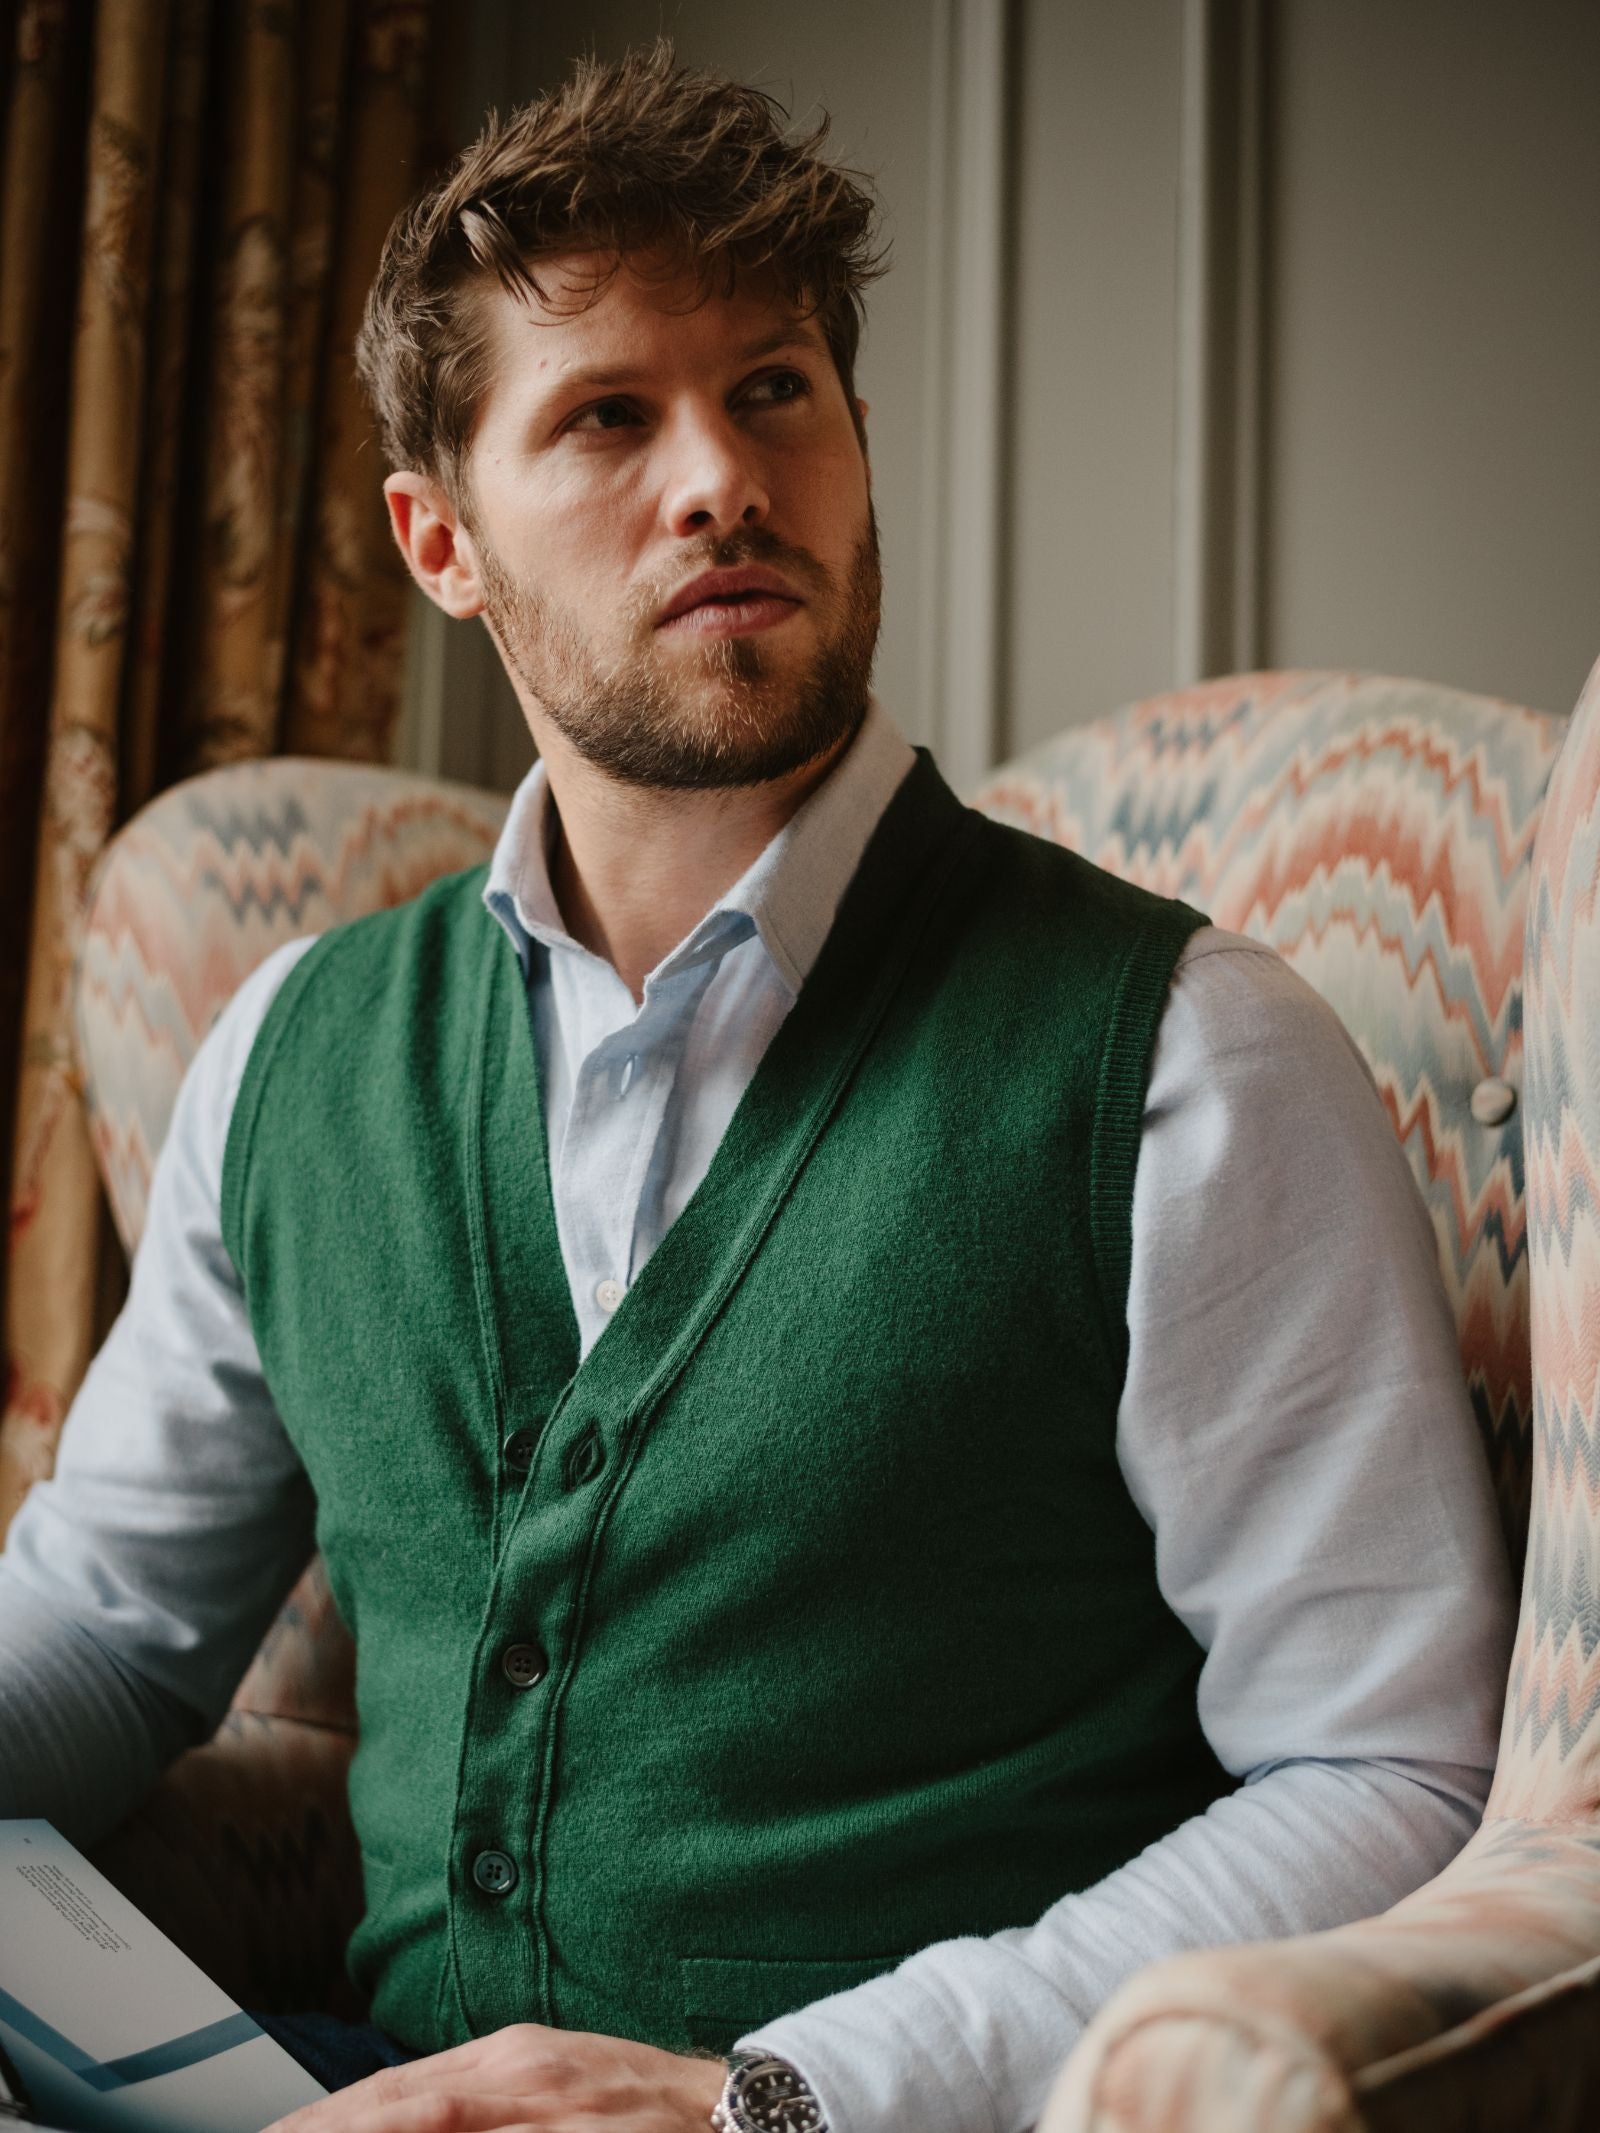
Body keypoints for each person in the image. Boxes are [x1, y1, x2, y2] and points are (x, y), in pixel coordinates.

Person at [0, 42, 1513, 2133]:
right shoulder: (290, 1051)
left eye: (774, 389)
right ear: (437, 542)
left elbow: (1392, 1774)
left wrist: (773, 2098)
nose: (718, 473)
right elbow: (108, 1614)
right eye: (609, 414)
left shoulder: (1182, 1057)